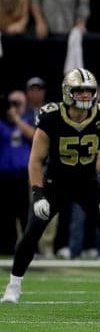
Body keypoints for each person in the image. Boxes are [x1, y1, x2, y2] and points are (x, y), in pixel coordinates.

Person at [3, 70, 100, 304]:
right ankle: (13, 286)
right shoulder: (51, 117)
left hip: (88, 181)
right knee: (32, 231)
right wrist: (38, 195)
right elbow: (35, 160)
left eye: (89, 91)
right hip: (55, 181)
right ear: (68, 93)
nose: (86, 96)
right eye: (80, 91)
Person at [0, 90, 35, 253]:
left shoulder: (29, 120)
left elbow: (34, 136)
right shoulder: (2, 125)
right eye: (11, 103)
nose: (13, 107)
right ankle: (8, 247)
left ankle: (28, 247)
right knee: (6, 214)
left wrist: (17, 119)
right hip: (4, 177)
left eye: (17, 104)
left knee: (24, 214)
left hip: (23, 177)